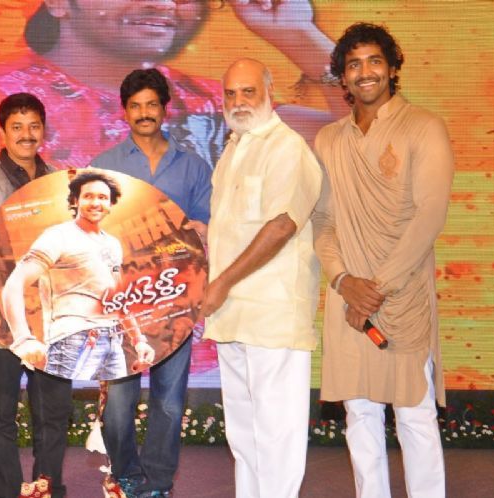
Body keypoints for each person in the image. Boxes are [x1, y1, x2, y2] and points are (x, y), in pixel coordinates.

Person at [0, 0, 344, 177]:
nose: (164, 3)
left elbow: (359, 142)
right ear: (59, 3)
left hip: (198, 357)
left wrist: (299, 36)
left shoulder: (213, 105)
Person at [312, 22, 453, 497]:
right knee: (360, 415)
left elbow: (429, 216)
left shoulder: (424, 127)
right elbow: (322, 221)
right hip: (348, 299)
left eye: (375, 61)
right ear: (342, 77)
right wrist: (343, 281)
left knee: (414, 414)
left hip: (403, 296)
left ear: (392, 68)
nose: (365, 72)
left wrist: (375, 289)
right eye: (353, 64)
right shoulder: (329, 140)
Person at [201, 58, 322, 498]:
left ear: (270, 92)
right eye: (230, 93)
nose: (238, 101)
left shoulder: (286, 147)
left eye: (248, 91)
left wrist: (221, 283)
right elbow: (232, 227)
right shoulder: (234, 149)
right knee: (244, 436)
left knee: (275, 436)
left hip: (272, 316)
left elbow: (282, 226)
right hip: (232, 317)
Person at [91, 68, 211, 498]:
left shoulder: (193, 166)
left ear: (165, 109)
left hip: (176, 299)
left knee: (170, 402)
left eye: (152, 105)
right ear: (125, 112)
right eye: (135, 106)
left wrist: (194, 231)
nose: (144, 113)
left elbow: (206, 227)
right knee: (118, 406)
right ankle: (126, 477)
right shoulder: (104, 165)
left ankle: (157, 483)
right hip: (123, 301)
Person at [0, 93, 75, 498]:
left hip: (52, 317)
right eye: (17, 127)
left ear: (44, 131)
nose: (26, 135)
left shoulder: (61, 183)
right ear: (2, 133)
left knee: (53, 413)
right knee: (1, 415)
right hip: (1, 316)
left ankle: (48, 489)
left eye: (34, 126)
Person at [3, 170, 156, 381]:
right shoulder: (58, 236)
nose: (96, 203)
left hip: (113, 341)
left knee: (113, 403)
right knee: (61, 401)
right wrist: (22, 338)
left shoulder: (112, 243)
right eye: (88, 196)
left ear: (110, 204)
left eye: (102, 197)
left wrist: (139, 340)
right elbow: (15, 282)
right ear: (75, 201)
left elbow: (118, 297)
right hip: (73, 340)